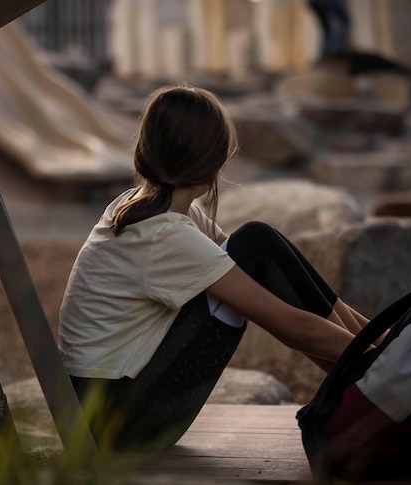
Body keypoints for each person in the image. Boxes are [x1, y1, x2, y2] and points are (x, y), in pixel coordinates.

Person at [58, 84, 370, 452]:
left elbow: (263, 259)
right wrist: (389, 366)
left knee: (259, 242)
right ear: (215, 161)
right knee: (257, 246)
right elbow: (295, 327)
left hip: (104, 406)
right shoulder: (164, 236)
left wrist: (377, 344)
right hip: (121, 424)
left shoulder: (146, 206)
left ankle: (381, 352)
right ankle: (379, 373)